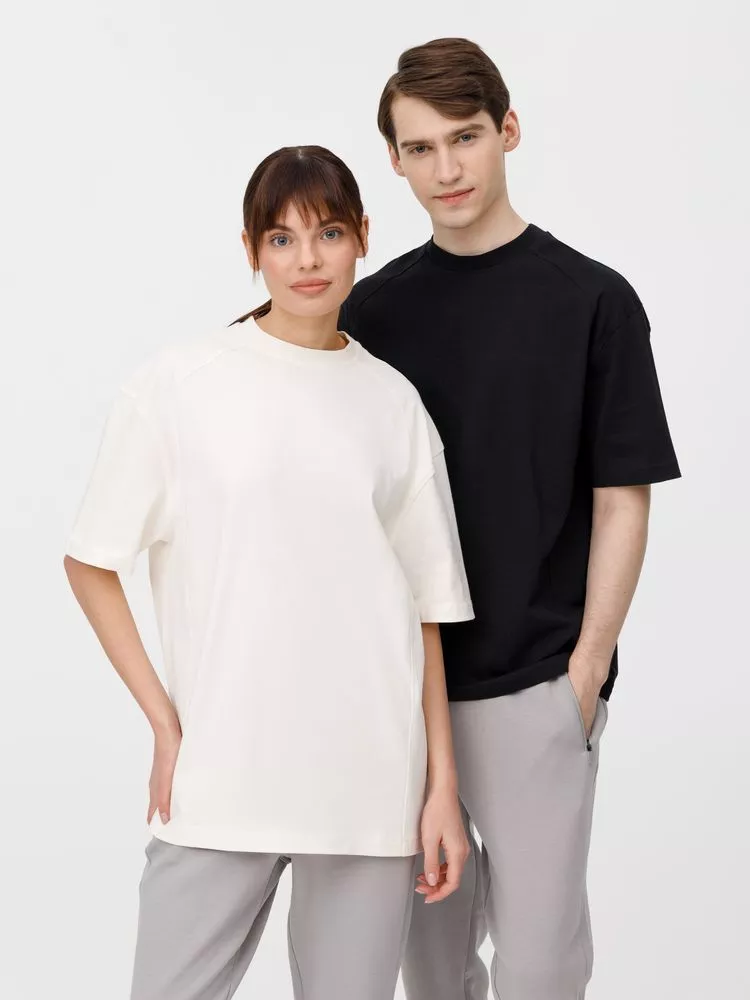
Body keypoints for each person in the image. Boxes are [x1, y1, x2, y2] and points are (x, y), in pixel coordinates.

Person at [63, 144, 475, 1000]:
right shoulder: (179, 385)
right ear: (251, 249)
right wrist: (164, 723)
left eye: (328, 233)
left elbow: (426, 611)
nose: (307, 259)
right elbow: (91, 561)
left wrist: (442, 786)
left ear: (363, 236)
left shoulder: (393, 403)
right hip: (224, 774)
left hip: (368, 783)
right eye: (281, 239)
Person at [338, 38, 681, 1000]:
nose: (446, 168)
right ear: (394, 161)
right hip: (408, 687)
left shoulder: (595, 301)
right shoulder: (373, 313)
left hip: (537, 681)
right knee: (431, 966)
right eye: (419, 148)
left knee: (539, 966)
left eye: (466, 137)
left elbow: (623, 496)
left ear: (508, 131)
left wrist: (586, 672)